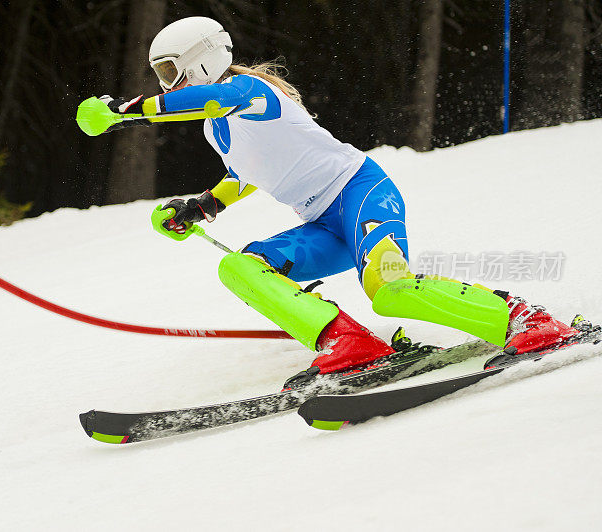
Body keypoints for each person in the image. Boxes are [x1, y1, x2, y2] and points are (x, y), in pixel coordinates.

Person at [95, 16, 579, 386]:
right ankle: (347, 342)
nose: (166, 83)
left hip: (362, 195)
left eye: (170, 70)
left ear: (201, 60)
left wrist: (125, 114)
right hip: (323, 226)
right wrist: (201, 206)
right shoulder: (215, 124)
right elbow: (245, 175)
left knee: (390, 289)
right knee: (240, 267)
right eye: (159, 74)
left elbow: (212, 100)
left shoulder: (249, 92)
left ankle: (529, 321)